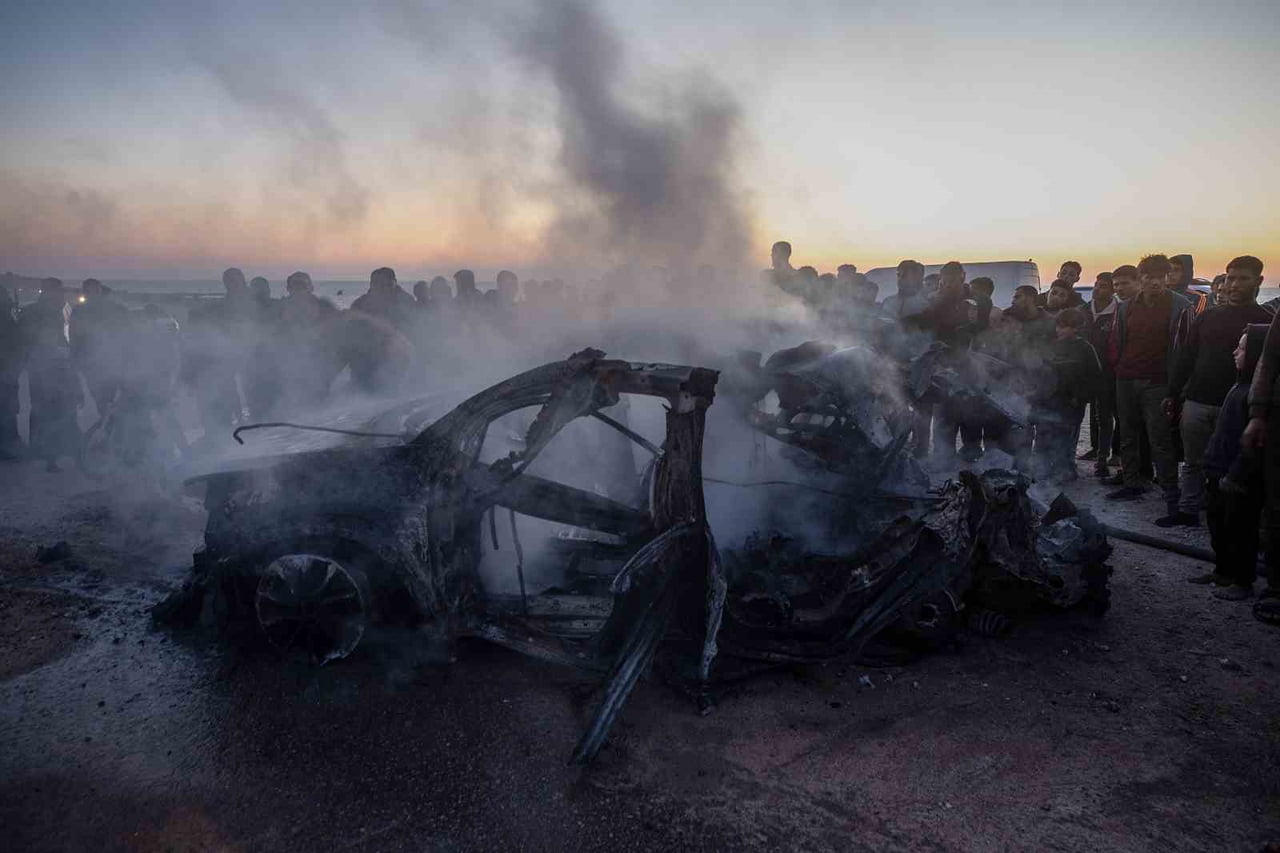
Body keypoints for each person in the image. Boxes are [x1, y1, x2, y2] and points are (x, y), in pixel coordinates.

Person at [1161, 256, 1273, 527]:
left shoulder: (1266, 323)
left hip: (1238, 408)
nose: (1234, 285)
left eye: (1243, 279)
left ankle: (1229, 517)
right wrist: (1173, 393)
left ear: (1258, 281)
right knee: (1192, 461)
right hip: (1197, 401)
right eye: (1231, 278)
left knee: (1232, 464)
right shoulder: (1207, 317)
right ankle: (1188, 510)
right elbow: (1186, 357)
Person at [1105, 255, 1192, 524]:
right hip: (1126, 378)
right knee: (1127, 434)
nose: (1155, 282)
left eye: (1160, 277)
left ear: (1166, 278)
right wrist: (1118, 367)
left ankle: (1171, 496)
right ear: (1140, 278)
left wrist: (1177, 386)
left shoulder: (1181, 306)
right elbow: (1117, 340)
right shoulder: (1125, 307)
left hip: (1158, 382)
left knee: (1160, 440)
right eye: (1149, 277)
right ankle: (1132, 483)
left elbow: (1186, 348)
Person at [1196, 323, 1269, 600]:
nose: (1235, 352)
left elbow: (1252, 445)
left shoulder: (1255, 396)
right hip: (1218, 470)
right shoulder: (1238, 385)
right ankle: (1223, 571)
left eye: (1242, 349)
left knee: (1240, 529)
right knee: (1218, 525)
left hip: (1237, 477)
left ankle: (1242, 581)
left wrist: (1236, 473)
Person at [1033, 309, 1103, 482]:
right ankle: (1041, 469)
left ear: (1076, 328)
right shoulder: (1051, 346)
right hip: (1049, 401)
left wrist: (1079, 398)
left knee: (1066, 439)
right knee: (1043, 436)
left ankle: (1066, 469)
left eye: (1064, 327)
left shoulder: (1085, 349)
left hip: (1071, 404)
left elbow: (1095, 377)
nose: (1059, 330)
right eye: (1058, 326)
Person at [19, 279, 82, 471]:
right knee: (51, 410)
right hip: (45, 365)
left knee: (44, 409)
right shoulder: (43, 312)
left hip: (44, 365)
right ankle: (51, 453)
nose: (61, 295)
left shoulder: (44, 311)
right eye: (58, 291)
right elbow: (43, 339)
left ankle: (46, 451)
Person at [69, 278, 129, 418]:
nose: (92, 294)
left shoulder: (112, 309)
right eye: (89, 291)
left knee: (107, 395)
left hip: (108, 358)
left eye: (94, 291)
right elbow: (74, 336)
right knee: (102, 396)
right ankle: (109, 419)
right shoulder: (80, 311)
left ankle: (109, 419)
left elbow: (126, 332)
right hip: (93, 360)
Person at [1081, 272, 1119, 476]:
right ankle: (1095, 449)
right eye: (1096, 284)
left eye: (1103, 286)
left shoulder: (1118, 312)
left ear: (1113, 290)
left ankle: (1105, 457)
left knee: (1105, 416)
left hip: (1107, 373)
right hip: (1085, 373)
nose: (1097, 289)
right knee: (1090, 415)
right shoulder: (1084, 311)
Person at [350, 267, 417, 337]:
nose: (383, 288)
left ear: (395, 282)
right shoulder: (360, 303)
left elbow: (415, 326)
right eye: (376, 283)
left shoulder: (406, 301)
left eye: (388, 284)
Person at [0, 284, 23, 459]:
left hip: (8, 368)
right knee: (7, 410)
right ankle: (9, 447)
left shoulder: (7, 319)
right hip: (6, 369)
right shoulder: (6, 320)